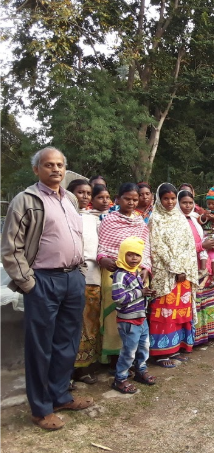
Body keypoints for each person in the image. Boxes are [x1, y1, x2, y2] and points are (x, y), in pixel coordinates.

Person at [1, 147, 93, 431]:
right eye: (49, 165)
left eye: (60, 165)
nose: (56, 169)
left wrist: (77, 273)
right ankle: (41, 409)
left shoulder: (70, 200)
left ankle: (60, 395)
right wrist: (29, 283)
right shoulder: (25, 200)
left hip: (72, 279)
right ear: (36, 169)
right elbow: (10, 248)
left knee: (67, 342)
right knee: (40, 347)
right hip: (43, 281)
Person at [97, 183, 151, 366]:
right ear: (118, 198)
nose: (132, 202)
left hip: (137, 273)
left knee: (136, 313)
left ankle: (134, 355)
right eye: (127, 198)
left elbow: (146, 248)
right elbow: (102, 246)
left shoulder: (140, 222)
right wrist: (102, 258)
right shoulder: (109, 220)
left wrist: (146, 268)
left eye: (135, 199)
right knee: (114, 314)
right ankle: (114, 356)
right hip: (113, 272)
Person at [148, 183, 199, 366]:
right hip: (166, 274)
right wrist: (175, 268)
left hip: (183, 275)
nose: (169, 202)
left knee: (180, 314)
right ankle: (162, 353)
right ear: (159, 199)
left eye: (172, 198)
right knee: (165, 313)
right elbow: (157, 247)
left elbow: (189, 246)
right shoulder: (155, 219)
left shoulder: (180, 218)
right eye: (165, 198)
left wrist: (183, 270)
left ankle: (176, 348)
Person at [110, 236, 157, 394]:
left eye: (137, 255)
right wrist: (141, 292)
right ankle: (120, 378)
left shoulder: (135, 272)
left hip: (141, 318)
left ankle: (140, 371)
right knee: (129, 351)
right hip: (128, 320)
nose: (134, 258)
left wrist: (147, 294)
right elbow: (119, 298)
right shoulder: (120, 275)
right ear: (123, 255)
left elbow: (137, 295)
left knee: (144, 347)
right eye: (129, 255)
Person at [67, 179, 101, 386]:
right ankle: (66, 372)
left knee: (89, 324)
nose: (85, 197)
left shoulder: (93, 219)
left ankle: (84, 368)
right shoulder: (63, 216)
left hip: (92, 276)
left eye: (88, 193)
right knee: (69, 325)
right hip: (69, 276)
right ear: (70, 194)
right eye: (80, 192)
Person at [180, 190, 214, 346]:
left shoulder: (197, 219)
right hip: (188, 266)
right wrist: (201, 245)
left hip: (204, 264)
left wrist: (213, 244)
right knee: (193, 301)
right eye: (184, 202)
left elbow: (208, 236)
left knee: (206, 299)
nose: (188, 206)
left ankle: (208, 334)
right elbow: (179, 248)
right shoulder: (175, 222)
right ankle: (193, 338)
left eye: (190, 202)